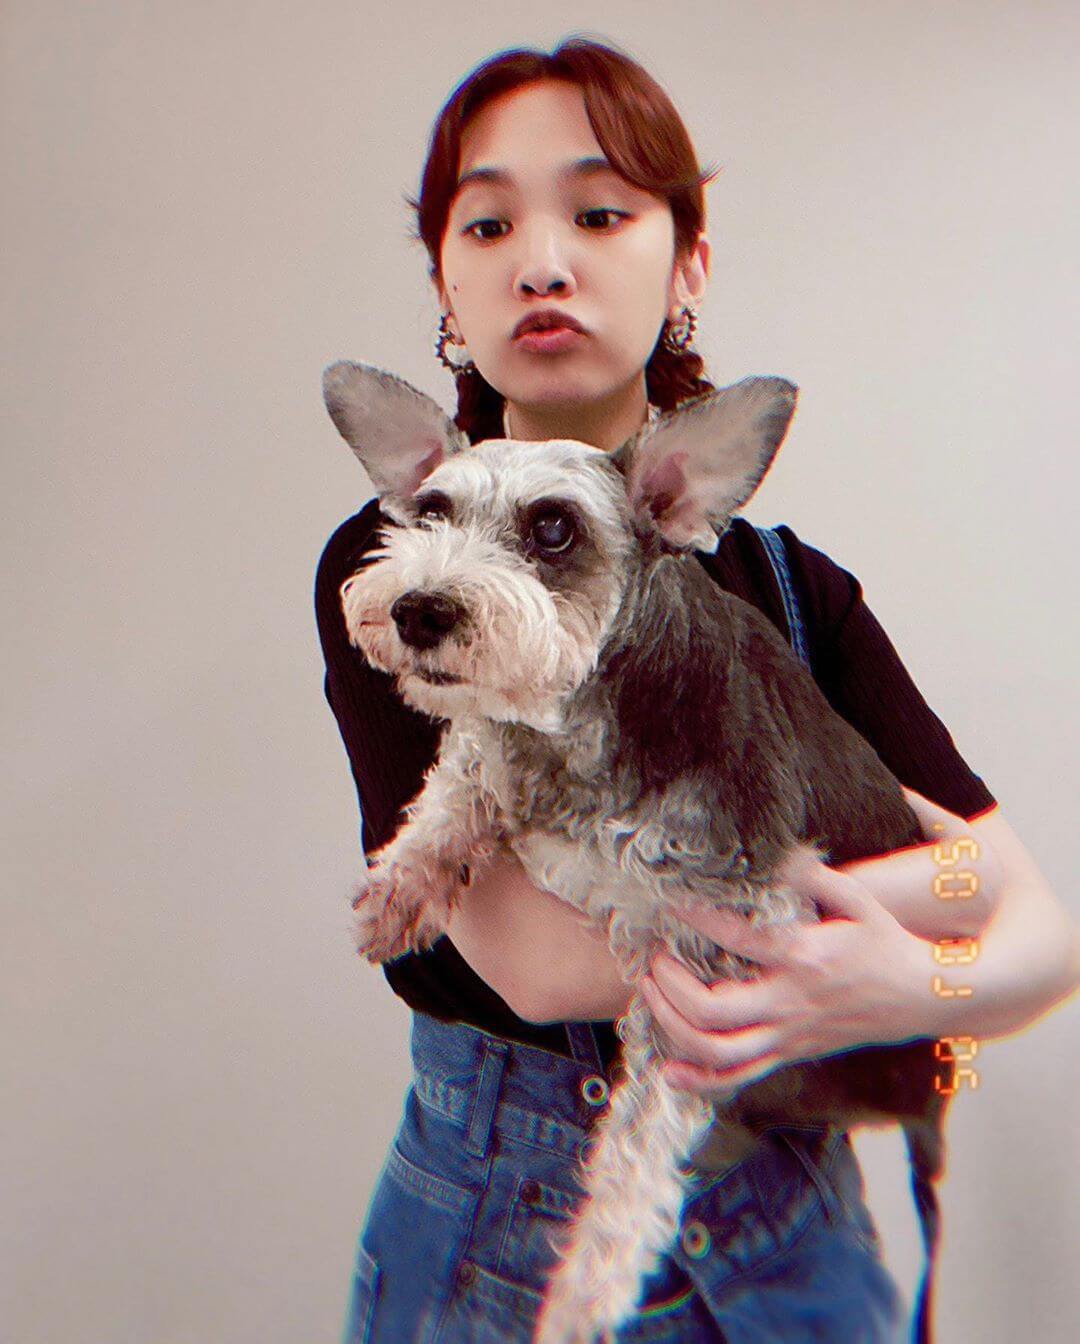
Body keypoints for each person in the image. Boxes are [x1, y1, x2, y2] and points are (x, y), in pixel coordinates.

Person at [314, 38, 1080, 1344]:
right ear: (445, 281)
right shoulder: (408, 580)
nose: (542, 262)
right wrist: (868, 916)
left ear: (688, 268)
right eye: (487, 222)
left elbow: (1026, 919)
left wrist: (911, 989)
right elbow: (540, 969)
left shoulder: (790, 590)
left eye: (600, 213)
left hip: (796, 1232)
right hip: (506, 1237)